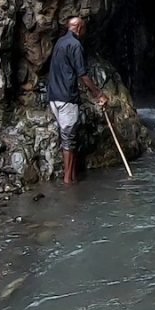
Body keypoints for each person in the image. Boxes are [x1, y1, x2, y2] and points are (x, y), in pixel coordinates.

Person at [48, 17, 108, 185]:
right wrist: (99, 94)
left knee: (67, 137)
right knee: (69, 139)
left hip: (54, 96)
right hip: (67, 98)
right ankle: (68, 181)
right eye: (85, 28)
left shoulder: (60, 42)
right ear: (79, 28)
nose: (86, 32)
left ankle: (72, 176)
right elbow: (83, 74)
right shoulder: (75, 45)